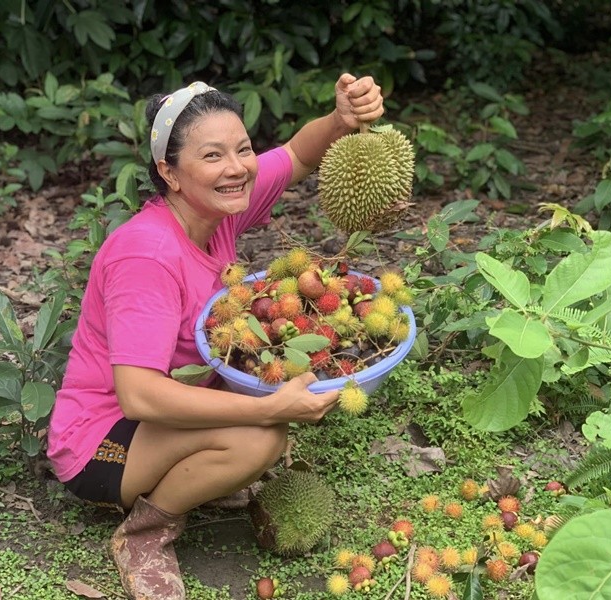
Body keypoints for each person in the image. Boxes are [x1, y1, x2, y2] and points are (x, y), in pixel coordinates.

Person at [47, 73, 385, 599]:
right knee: (262, 439)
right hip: (98, 443)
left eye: (244, 149)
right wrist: (270, 410)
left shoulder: (216, 211)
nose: (236, 168)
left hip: (166, 410)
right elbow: (138, 396)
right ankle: (145, 534)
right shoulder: (148, 254)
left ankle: (193, 470)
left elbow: (299, 153)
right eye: (212, 156)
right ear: (170, 172)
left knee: (274, 360)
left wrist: (343, 120)